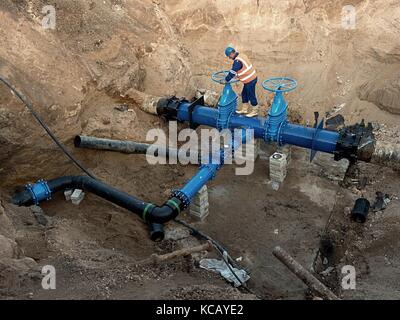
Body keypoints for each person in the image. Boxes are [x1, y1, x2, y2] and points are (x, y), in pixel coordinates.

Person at [224, 46, 259, 117]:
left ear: (231, 53)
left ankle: (255, 111)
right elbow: (242, 68)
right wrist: (238, 75)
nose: (229, 58)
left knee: (251, 95)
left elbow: (232, 72)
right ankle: (245, 109)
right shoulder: (241, 55)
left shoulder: (237, 61)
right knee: (244, 94)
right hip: (250, 78)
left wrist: (226, 79)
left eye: (229, 56)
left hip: (250, 80)